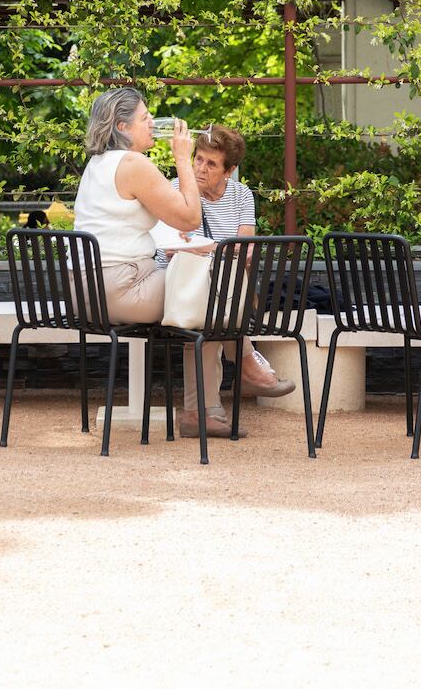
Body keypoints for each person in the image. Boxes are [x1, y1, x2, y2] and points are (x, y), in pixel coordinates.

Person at [74, 89, 284, 438]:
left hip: (90, 287)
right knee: (213, 290)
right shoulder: (133, 164)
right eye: (144, 118)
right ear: (123, 126)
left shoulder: (99, 164)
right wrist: (183, 160)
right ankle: (244, 366)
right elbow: (189, 218)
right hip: (121, 287)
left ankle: (204, 409)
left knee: (204, 292)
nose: (153, 124)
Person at [154, 124, 295, 401]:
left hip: (225, 287)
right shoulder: (175, 188)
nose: (201, 169)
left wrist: (205, 248)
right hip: (179, 285)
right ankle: (247, 368)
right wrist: (222, 249)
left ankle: (206, 410)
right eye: (198, 159)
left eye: (212, 164)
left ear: (229, 171)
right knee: (213, 312)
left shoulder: (241, 195)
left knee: (216, 306)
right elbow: (172, 250)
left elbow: (245, 251)